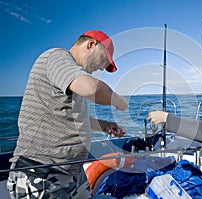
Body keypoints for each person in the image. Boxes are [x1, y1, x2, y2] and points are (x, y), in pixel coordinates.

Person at [7, 30, 128, 198]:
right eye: (103, 60)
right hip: (41, 173)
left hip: (73, 172)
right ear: (91, 44)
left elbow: (73, 118)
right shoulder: (57, 56)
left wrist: (105, 125)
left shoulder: (72, 79)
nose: (101, 67)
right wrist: (117, 100)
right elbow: (92, 88)